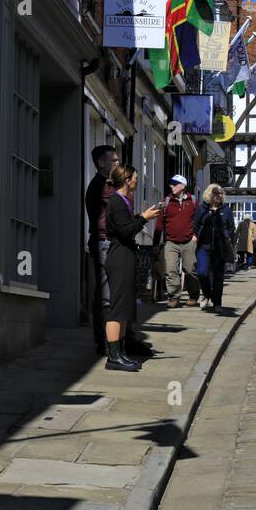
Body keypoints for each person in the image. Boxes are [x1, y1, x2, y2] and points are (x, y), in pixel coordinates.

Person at [104, 165, 161, 371]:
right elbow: (125, 231)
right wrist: (144, 218)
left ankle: (121, 352)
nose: (138, 180)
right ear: (127, 180)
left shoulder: (123, 201)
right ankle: (113, 356)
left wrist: (141, 216)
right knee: (117, 308)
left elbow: (126, 226)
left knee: (124, 307)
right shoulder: (118, 202)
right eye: (136, 177)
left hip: (124, 256)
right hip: (119, 257)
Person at [85, 144, 118, 354]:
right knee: (106, 297)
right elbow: (116, 210)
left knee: (105, 295)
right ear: (101, 163)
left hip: (105, 242)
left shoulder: (106, 184)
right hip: (104, 242)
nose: (117, 163)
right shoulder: (101, 186)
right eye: (113, 160)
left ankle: (106, 340)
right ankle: (106, 343)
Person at [153, 175, 199, 308]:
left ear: (183, 186)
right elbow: (159, 224)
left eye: (174, 184)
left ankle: (193, 295)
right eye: (171, 184)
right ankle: (173, 297)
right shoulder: (166, 201)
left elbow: (200, 220)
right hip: (171, 242)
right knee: (170, 269)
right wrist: (156, 244)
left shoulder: (193, 200)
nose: (171, 186)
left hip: (189, 241)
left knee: (190, 270)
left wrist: (196, 235)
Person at [192, 184, 236, 313]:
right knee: (201, 272)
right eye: (215, 193)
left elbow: (231, 228)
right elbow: (195, 225)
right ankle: (207, 293)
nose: (218, 195)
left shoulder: (226, 210)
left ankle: (217, 303)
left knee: (218, 276)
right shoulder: (202, 209)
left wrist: (228, 240)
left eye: (220, 193)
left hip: (220, 247)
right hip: (203, 246)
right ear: (209, 194)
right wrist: (197, 236)